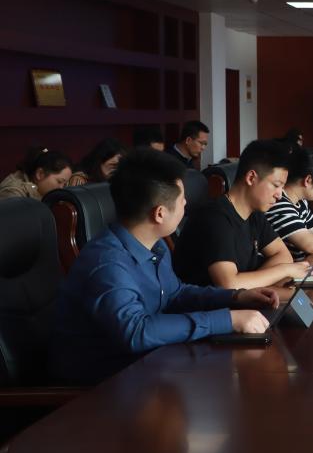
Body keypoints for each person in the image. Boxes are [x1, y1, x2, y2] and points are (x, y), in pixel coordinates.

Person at [49, 148, 280, 385]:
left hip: (150, 364)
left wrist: (236, 297)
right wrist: (227, 320)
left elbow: (175, 294)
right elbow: (136, 332)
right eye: (182, 200)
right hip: (103, 386)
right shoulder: (107, 263)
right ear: (159, 214)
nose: (186, 204)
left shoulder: (155, 245)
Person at [173, 139, 313, 288]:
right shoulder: (215, 218)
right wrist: (285, 270)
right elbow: (229, 285)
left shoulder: (254, 213)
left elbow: (283, 256)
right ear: (251, 178)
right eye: (276, 185)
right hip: (204, 302)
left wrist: (251, 282)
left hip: (241, 300)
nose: (279, 195)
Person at [0, 146, 71, 200]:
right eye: (59, 181)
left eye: (64, 184)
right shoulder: (13, 193)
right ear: (40, 174)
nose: (61, 188)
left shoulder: (37, 187)